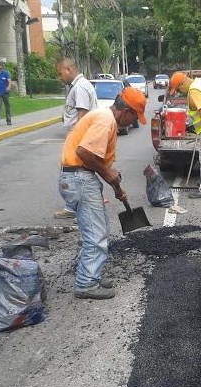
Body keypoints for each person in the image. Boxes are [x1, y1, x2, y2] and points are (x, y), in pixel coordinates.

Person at [58, 87, 147, 300]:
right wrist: (108, 175)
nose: (134, 122)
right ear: (125, 111)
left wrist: (117, 188)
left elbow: (99, 162)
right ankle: (86, 283)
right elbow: (84, 153)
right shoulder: (105, 120)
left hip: (79, 178)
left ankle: (91, 275)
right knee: (96, 235)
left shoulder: (104, 118)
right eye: (135, 116)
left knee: (99, 230)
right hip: (80, 179)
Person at [55, 58, 98, 219]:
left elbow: (82, 113)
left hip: (78, 137)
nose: (60, 77)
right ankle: (77, 204)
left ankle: (73, 207)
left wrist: (77, 140)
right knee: (77, 171)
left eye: (60, 74)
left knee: (71, 171)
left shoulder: (80, 87)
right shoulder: (81, 85)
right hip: (78, 136)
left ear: (68, 70)